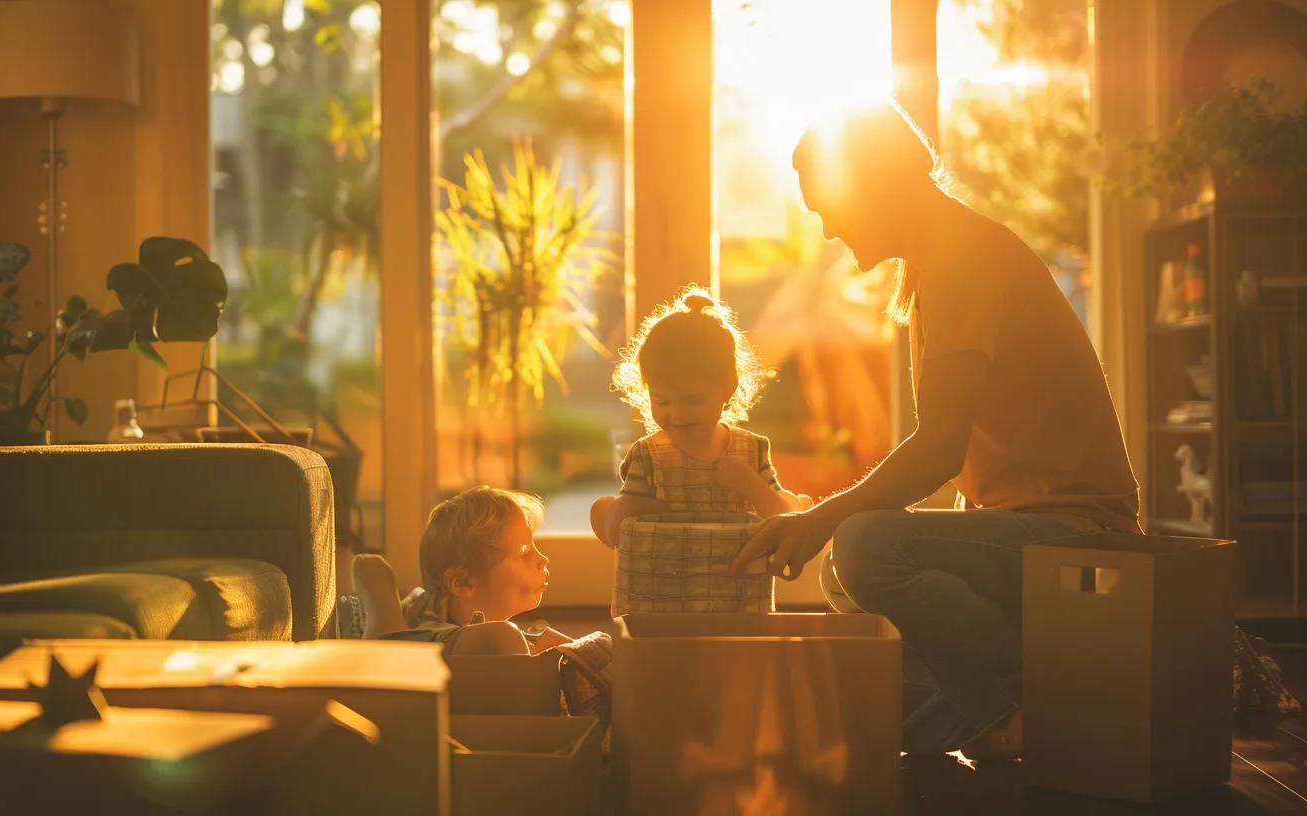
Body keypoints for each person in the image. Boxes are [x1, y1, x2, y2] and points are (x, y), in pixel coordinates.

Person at [730, 100, 1140, 761]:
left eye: (829, 206)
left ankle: (1035, 698)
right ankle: (976, 719)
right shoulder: (936, 267)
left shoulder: (965, 258)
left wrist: (824, 518)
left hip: (1080, 537)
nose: (830, 229)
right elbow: (966, 462)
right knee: (843, 573)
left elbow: (941, 448)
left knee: (864, 547)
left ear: (875, 184)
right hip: (1028, 531)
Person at [590, 287, 811, 547]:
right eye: (661, 401)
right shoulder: (647, 456)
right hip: (663, 578)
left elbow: (783, 520)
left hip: (735, 577)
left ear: (727, 389)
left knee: (796, 504)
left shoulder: (751, 450)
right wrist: (636, 508)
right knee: (608, 507)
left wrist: (751, 484)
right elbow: (624, 531)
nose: (677, 413)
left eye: (693, 400)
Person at [352, 485, 574, 656]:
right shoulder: (433, 628)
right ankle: (382, 622)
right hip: (400, 654)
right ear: (463, 583)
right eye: (524, 552)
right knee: (504, 637)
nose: (542, 559)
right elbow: (499, 640)